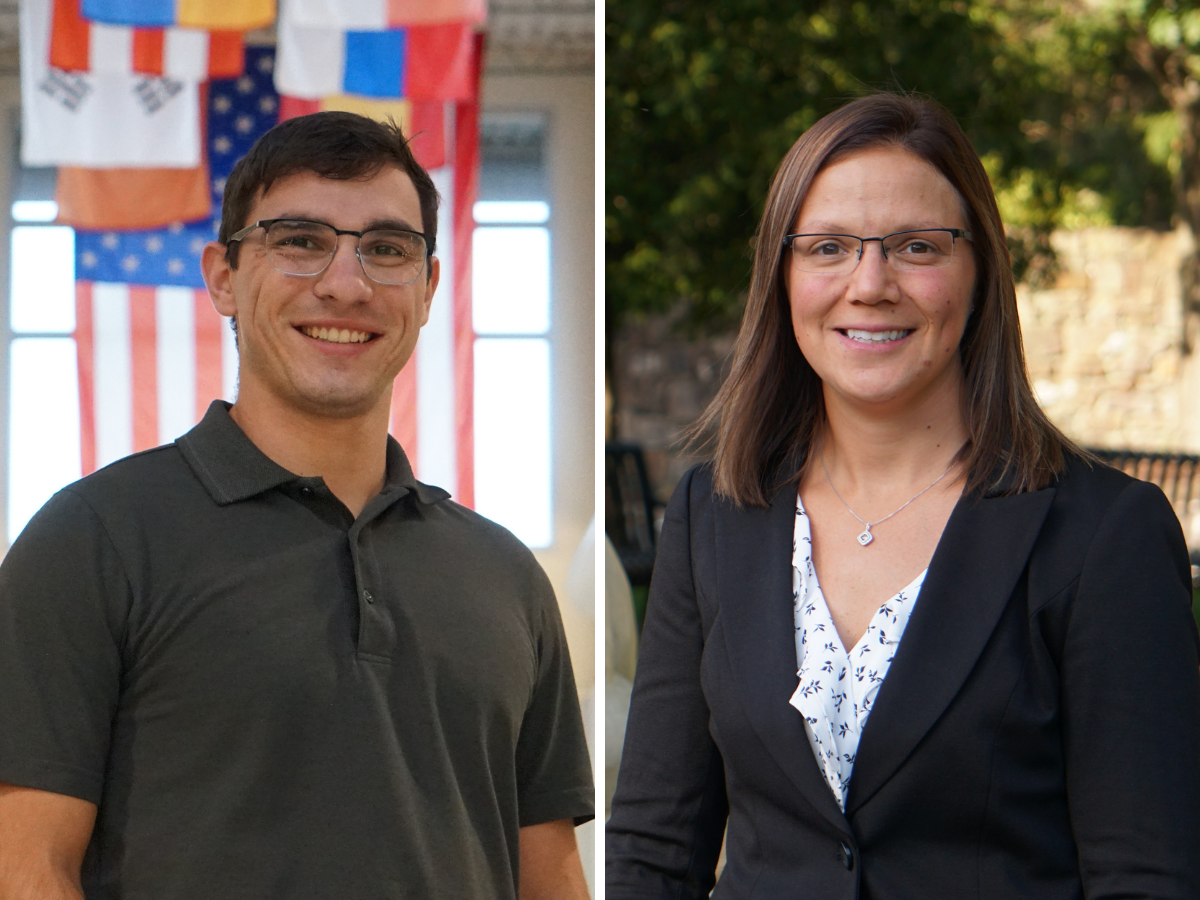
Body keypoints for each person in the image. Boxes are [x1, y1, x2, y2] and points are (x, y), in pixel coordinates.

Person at [606, 92, 1200, 898]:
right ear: (781, 276)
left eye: (917, 246)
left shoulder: (1103, 536)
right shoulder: (712, 517)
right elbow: (652, 852)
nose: (870, 283)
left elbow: (1146, 877)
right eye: (828, 248)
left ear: (980, 271)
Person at [0, 111, 593, 900]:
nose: (346, 284)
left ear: (427, 289)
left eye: (387, 249)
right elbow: (25, 867)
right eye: (300, 241)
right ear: (222, 277)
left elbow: (549, 877)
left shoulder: (506, 576)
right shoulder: (91, 540)